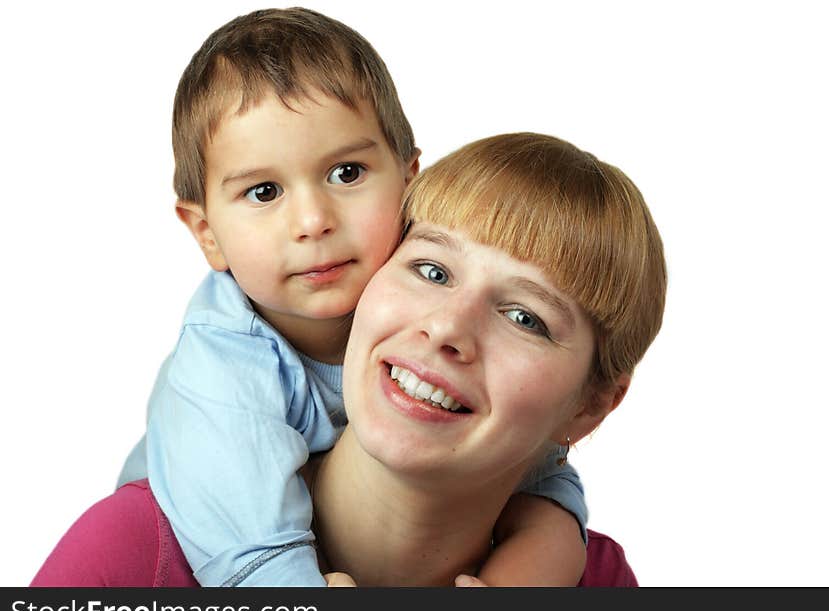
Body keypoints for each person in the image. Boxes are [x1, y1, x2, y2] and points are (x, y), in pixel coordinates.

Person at [32, 132, 664, 587]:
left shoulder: (596, 581)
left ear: (592, 405)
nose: (446, 328)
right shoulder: (134, 556)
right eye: (431, 268)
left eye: (525, 318)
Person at [114, 8, 589, 587]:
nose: (313, 221)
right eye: (263, 191)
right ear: (207, 232)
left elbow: (537, 470)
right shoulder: (220, 374)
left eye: (346, 173)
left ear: (413, 181)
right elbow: (255, 565)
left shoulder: (439, 319)